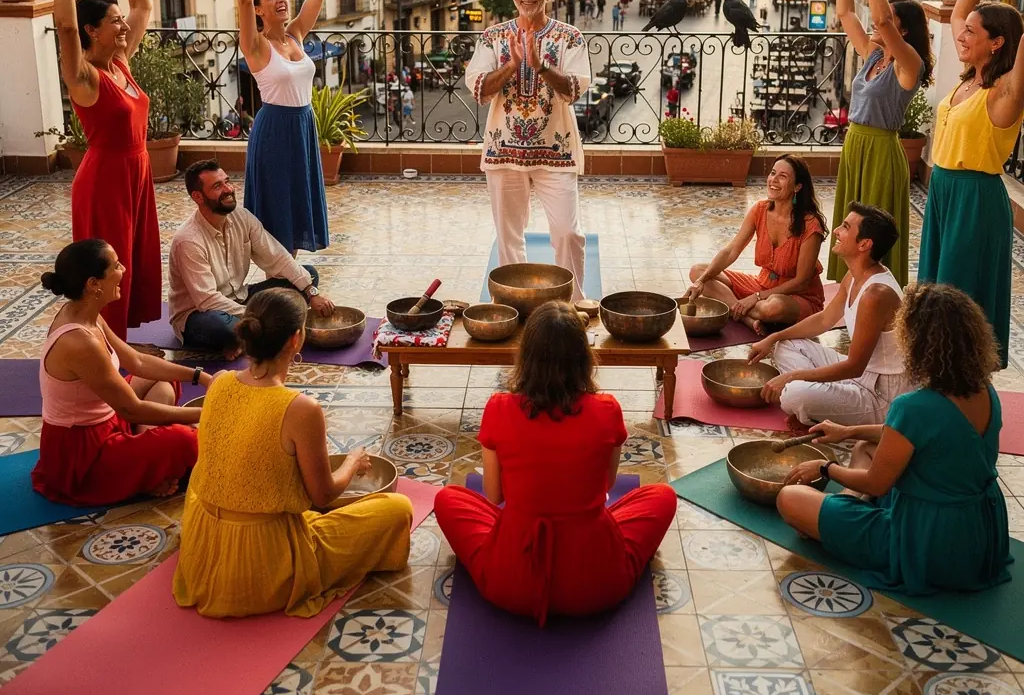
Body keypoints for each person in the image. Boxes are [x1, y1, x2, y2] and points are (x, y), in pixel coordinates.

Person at [173, 288, 413, 618]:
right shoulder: (301, 409)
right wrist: (353, 463)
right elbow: (324, 494)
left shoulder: (221, 383)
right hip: (261, 562)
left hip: (203, 545)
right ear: (296, 340)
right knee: (397, 509)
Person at [434, 302, 677, 625]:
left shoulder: (499, 407)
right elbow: (605, 486)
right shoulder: (607, 409)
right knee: (662, 496)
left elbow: (494, 496)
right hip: (597, 583)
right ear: (583, 358)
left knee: (447, 499)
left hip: (511, 583)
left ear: (527, 355)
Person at [777, 282, 1011, 596]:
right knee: (865, 445)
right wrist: (850, 431)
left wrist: (824, 468)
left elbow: (877, 484)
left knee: (789, 500)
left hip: (927, 543)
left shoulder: (914, 406)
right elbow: (926, 438)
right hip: (982, 533)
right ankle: (845, 507)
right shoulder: (986, 391)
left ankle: (843, 513)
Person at [47, 0, 161, 341]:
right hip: (105, 180)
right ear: (92, 31)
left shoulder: (120, 63)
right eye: (114, 21)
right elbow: (65, 26)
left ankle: (117, 347)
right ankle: (105, 353)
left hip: (137, 174)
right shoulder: (85, 76)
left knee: (131, 262)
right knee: (105, 271)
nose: (124, 25)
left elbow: (144, 6)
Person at [918, 0, 1024, 367]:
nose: (960, 35)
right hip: (942, 191)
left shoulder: (1003, 94)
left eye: (972, 33)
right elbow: (958, 12)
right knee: (934, 288)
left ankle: (960, 379)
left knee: (959, 294)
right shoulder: (967, 81)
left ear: (997, 43)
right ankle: (935, 369)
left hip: (975, 199)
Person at [32, 239, 207, 506]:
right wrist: (209, 413)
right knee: (186, 440)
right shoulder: (80, 342)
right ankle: (146, 468)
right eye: (116, 266)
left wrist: (201, 377)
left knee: (164, 376)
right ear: (93, 284)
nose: (123, 270)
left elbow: (138, 361)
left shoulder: (86, 312)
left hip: (109, 420)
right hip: (83, 455)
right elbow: (132, 410)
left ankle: (145, 457)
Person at [465, 0, 592, 300]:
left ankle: (573, 305)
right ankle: (515, 303)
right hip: (503, 152)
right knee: (508, 238)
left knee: (568, 233)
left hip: (557, 152)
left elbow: (573, 90)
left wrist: (540, 66)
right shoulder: (492, 37)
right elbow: (480, 89)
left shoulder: (570, 38)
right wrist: (512, 65)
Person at [829, 0, 933, 287]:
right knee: (849, 229)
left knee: (869, 236)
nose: (877, 17)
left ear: (902, 31)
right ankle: (847, 295)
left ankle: (875, 297)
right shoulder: (875, 56)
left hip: (880, 151)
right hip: (856, 145)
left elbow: (879, 18)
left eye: (889, 19)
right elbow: (845, 13)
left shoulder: (909, 66)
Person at [749, 203, 908, 427]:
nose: (836, 231)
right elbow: (825, 320)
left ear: (864, 244)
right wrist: (773, 337)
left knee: (794, 394)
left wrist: (792, 376)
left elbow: (854, 366)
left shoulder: (876, 294)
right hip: (860, 376)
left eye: (845, 227)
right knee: (786, 344)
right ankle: (823, 396)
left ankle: (813, 397)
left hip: (881, 395)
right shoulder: (855, 275)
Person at [169, 161, 335, 354]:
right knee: (224, 329)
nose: (228, 189)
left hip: (241, 299)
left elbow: (278, 257)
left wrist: (310, 291)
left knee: (307, 275)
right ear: (197, 197)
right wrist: (255, 315)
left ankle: (251, 337)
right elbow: (207, 300)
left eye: (227, 182)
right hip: (200, 314)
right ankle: (253, 333)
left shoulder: (242, 217)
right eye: (217, 186)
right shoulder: (188, 240)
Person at [236, 0, 329, 256]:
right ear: (260, 10)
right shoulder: (256, 45)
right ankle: (283, 278)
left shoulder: (296, 34)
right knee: (278, 205)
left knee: (297, 201)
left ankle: (291, 275)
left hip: (303, 125)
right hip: (275, 129)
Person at [685, 156, 827, 334]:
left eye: (782, 176)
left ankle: (738, 307)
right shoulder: (760, 209)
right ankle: (745, 317)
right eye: (773, 173)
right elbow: (731, 251)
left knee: (772, 308)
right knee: (698, 272)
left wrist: (756, 297)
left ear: (797, 187)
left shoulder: (810, 225)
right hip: (763, 285)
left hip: (797, 296)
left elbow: (801, 282)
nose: (773, 180)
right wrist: (700, 281)